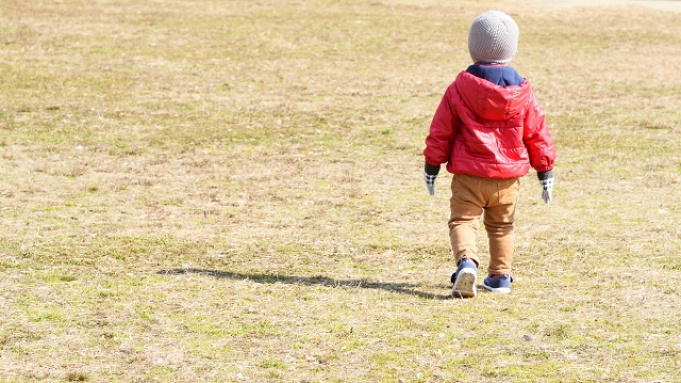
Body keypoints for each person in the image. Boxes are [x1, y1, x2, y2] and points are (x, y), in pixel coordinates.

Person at [423, 10, 556, 298]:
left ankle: (467, 262)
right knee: (501, 226)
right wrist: (545, 172)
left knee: (462, 222)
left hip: (469, 174)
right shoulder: (523, 91)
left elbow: (441, 129)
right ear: (512, 49)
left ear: (473, 49)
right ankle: (499, 277)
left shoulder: (459, 87)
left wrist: (432, 165)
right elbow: (537, 132)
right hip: (508, 178)